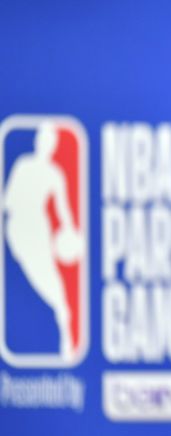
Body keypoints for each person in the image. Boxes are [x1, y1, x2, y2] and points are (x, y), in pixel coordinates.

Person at [4, 121, 83, 360]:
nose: (45, 144)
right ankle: (63, 321)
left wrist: (71, 234)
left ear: (53, 146)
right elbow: (7, 202)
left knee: (54, 287)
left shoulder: (55, 175)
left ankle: (66, 334)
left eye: (50, 141)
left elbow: (64, 211)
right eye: (42, 139)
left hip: (39, 231)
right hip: (19, 230)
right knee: (43, 284)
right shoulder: (23, 165)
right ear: (37, 142)